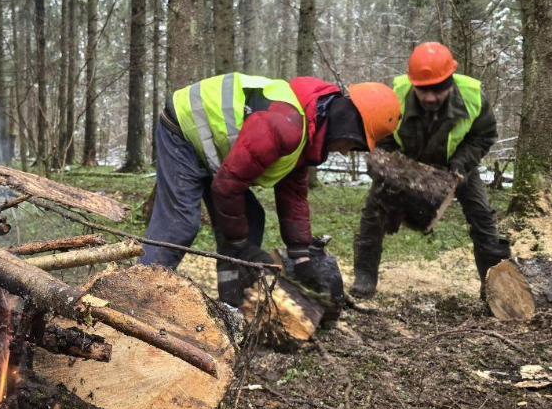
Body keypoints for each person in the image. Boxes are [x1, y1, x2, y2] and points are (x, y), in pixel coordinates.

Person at [140, 72, 401, 306]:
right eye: (352, 145)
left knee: (251, 218)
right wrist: (240, 243)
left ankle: (232, 304)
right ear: (348, 125)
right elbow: (227, 186)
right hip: (183, 128)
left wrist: (301, 256)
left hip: (213, 147)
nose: (345, 152)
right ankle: (133, 296)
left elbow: (294, 194)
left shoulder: (308, 127)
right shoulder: (284, 125)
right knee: (179, 225)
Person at [351, 42, 511, 298]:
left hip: (455, 164)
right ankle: (364, 276)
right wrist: (392, 168)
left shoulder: (473, 97)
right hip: (405, 165)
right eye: (423, 90)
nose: (429, 97)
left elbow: (483, 137)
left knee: (482, 218)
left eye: (437, 90)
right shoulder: (395, 95)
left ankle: (496, 288)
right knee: (373, 212)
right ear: (413, 82)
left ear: (450, 80)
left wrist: (461, 164)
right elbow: (380, 134)